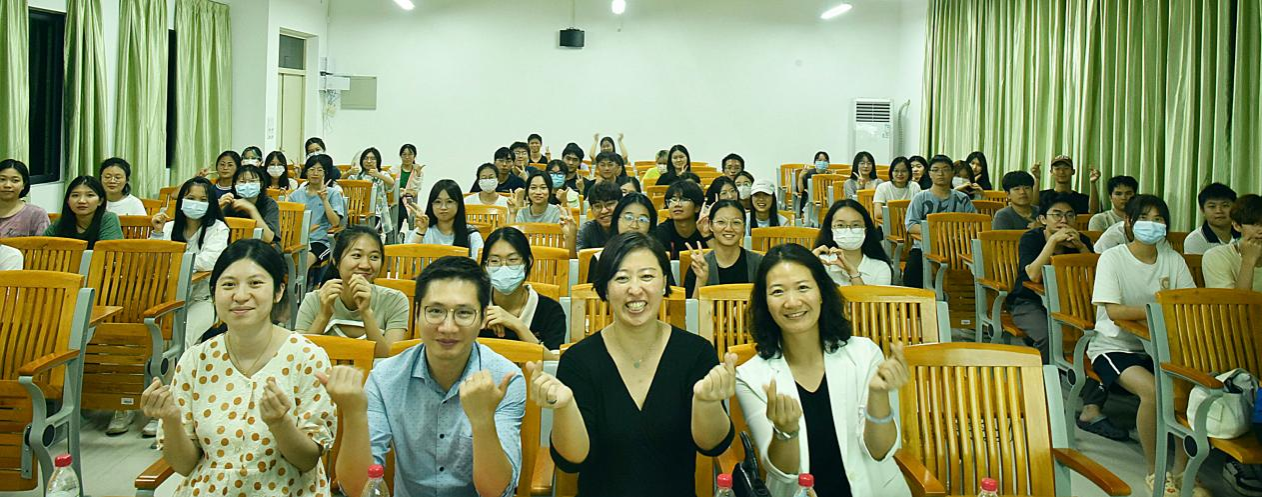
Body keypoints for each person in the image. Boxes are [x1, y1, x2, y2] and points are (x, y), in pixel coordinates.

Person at [526, 232, 735, 497]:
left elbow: (712, 446)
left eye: (647, 276)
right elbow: (572, 461)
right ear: (604, 288)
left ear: (664, 282)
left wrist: (706, 402)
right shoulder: (579, 361)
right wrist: (565, 406)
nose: (635, 289)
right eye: (621, 278)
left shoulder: (695, 353)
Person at [144, 239, 337, 497]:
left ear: (279, 291)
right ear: (214, 294)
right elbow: (184, 465)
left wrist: (280, 423)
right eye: (228, 285)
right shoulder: (196, 360)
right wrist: (170, 420)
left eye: (255, 283)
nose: (240, 295)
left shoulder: (307, 357)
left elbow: (307, 460)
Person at [320, 256, 524, 497]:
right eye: (435, 311)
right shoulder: (385, 378)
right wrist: (354, 413)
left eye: (464, 313)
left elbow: (496, 492)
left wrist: (482, 421)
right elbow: (356, 489)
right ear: (417, 313)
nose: (448, 327)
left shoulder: (504, 380)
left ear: (482, 318)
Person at [736, 243, 912, 497]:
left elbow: (880, 451)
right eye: (778, 291)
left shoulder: (864, 354)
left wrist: (878, 396)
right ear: (765, 302)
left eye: (803, 287)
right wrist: (786, 432)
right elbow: (784, 473)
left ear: (821, 292)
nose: (792, 302)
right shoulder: (750, 376)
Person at [1088, 194, 1207, 496]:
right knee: (1154, 392)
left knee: (1184, 389)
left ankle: (1183, 471)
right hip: (1115, 347)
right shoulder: (1113, 258)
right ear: (1128, 222)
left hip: (1160, 347)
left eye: (1158, 219)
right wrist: (1157, 308)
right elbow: (1114, 312)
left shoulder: (1172, 259)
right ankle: (1156, 470)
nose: (1152, 225)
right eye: (1144, 218)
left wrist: (1161, 310)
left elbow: (1186, 304)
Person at [1003, 192, 1126, 440]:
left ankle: (1091, 409)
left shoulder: (1081, 240)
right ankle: (1040, 397)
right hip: (1029, 302)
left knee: (1099, 339)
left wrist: (1081, 247)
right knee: (1049, 336)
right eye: (1057, 215)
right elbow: (1033, 275)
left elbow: (1097, 276)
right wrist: (1052, 243)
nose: (1063, 220)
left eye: (1069, 215)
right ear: (1042, 219)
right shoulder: (1032, 238)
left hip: (1072, 304)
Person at [297, 226, 408, 357]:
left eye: (374, 257)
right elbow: (299, 357)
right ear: (336, 261)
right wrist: (323, 316)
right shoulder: (315, 299)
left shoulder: (395, 300)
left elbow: (390, 360)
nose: (365, 265)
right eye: (356, 255)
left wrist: (366, 312)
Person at [150, 176, 230, 354]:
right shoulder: (168, 228)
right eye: (191, 198)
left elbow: (210, 260)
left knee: (182, 336)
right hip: (167, 298)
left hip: (203, 299)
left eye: (203, 200)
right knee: (154, 338)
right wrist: (157, 233)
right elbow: (153, 259)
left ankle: (177, 373)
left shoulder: (218, 228)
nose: (196, 204)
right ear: (181, 201)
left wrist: (176, 261)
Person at [478, 227, 567, 350]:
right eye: (494, 260)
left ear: (528, 262)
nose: (504, 268)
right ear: (485, 266)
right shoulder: (475, 307)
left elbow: (553, 359)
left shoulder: (550, 310)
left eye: (512, 260)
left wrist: (518, 326)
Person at [903, 155, 977, 288]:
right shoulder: (920, 198)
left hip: (957, 247)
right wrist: (938, 232)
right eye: (935, 170)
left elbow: (974, 224)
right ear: (929, 174)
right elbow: (911, 225)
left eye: (945, 169)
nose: (940, 173)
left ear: (952, 173)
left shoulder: (963, 199)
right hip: (925, 247)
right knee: (912, 270)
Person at [682, 200, 764, 298]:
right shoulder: (699, 265)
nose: (729, 228)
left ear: (744, 227)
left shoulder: (759, 263)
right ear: (710, 225)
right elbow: (690, 307)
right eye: (721, 222)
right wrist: (701, 280)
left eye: (736, 222)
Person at [812, 200, 893, 286]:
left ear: (865, 230)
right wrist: (809, 264)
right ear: (831, 230)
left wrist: (852, 273)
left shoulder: (880, 268)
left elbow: (867, 296)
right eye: (840, 225)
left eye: (855, 225)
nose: (848, 230)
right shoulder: (821, 263)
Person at [289, 154, 346, 270]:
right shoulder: (295, 195)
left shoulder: (333, 193)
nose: (315, 173)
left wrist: (324, 200)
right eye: (311, 169)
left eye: (319, 170)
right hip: (297, 241)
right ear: (306, 172)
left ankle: (301, 282)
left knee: (302, 264)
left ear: (325, 173)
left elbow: (335, 222)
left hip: (320, 241)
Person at [586, 193, 659, 284]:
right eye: (628, 218)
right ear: (616, 220)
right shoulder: (600, 259)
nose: (634, 225)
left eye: (642, 220)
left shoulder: (658, 257)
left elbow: (669, 291)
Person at [407, 179, 485, 257]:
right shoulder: (424, 231)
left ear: (458, 204)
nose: (443, 207)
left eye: (449, 202)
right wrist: (421, 231)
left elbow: (478, 262)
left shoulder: (471, 235)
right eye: (438, 202)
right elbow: (407, 258)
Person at [1203, 194, 1262, 291]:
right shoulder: (1216, 256)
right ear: (1236, 226)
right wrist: (1248, 261)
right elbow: (1236, 300)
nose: (1260, 230)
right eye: (1254, 224)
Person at [45, 176, 123, 248]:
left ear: (100, 201)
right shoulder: (60, 222)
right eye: (75, 195)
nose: (81, 201)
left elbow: (109, 252)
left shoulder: (108, 219)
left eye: (90, 195)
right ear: (68, 201)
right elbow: (41, 246)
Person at [219, 164, 281, 247]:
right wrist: (218, 208)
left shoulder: (270, 204)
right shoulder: (229, 203)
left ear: (261, 184)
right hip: (233, 248)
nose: (247, 185)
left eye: (252, 181)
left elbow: (268, 238)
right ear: (234, 185)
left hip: (262, 249)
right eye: (242, 182)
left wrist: (251, 209)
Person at [346, 147, 397, 234]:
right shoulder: (357, 175)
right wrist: (348, 173)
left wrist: (378, 175)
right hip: (357, 211)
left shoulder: (382, 174)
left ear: (378, 161)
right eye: (366, 158)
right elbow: (341, 183)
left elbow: (392, 183)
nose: (369, 161)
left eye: (372, 159)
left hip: (377, 212)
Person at [654, 179, 708, 259]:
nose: (677, 204)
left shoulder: (706, 229)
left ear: (697, 207)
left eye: (684, 199)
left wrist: (707, 236)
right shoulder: (662, 232)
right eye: (673, 200)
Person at [1030, 155, 1099, 215]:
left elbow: (1093, 213)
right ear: (1051, 172)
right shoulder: (1042, 196)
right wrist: (1037, 179)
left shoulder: (1082, 199)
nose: (1061, 172)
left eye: (1066, 168)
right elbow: (1033, 210)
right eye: (1057, 169)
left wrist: (1093, 183)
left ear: (1073, 171)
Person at [1183, 182, 1240, 255]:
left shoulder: (1246, 235)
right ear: (1202, 210)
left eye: (1225, 205)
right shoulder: (1195, 240)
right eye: (1212, 206)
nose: (1219, 211)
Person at [0, 159, 50, 238]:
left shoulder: (36, 214)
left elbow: (43, 244)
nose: (7, 185)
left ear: (24, 184)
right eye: (2, 179)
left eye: (15, 180)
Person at [872, 157, 921, 226]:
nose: (900, 174)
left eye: (904, 171)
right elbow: (878, 213)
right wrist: (901, 216)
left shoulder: (915, 186)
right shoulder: (882, 187)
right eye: (896, 171)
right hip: (888, 225)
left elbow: (919, 211)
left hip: (910, 225)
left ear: (909, 172)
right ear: (891, 172)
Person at [576, 181, 623, 251]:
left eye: (609, 204)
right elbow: (580, 256)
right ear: (591, 209)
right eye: (598, 206)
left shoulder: (629, 227)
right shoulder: (587, 230)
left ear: (621, 204)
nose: (604, 211)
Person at [397, 143, 426, 230]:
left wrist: (417, 173)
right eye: (404, 154)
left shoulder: (418, 172)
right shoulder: (394, 169)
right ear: (400, 156)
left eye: (410, 154)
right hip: (394, 199)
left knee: (401, 213)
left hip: (408, 201)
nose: (407, 157)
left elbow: (414, 191)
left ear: (414, 156)